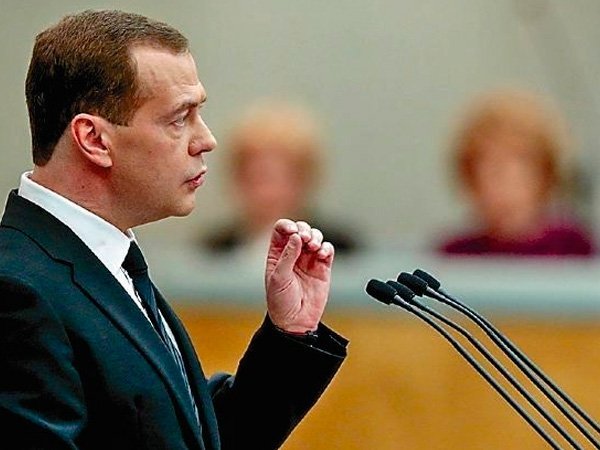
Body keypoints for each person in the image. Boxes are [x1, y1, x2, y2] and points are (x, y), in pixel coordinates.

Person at [0, 9, 348, 450]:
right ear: (94, 139)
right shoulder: (16, 289)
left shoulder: (104, 261)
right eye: (180, 118)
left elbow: (193, 439)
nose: (206, 140)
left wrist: (289, 335)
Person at [436, 87, 596, 257]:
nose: (506, 180)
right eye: (493, 167)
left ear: (546, 174)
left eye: (521, 163)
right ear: (471, 177)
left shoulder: (576, 249)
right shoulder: (453, 256)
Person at [200, 99, 360, 262]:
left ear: (305, 179)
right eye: (257, 178)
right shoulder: (212, 253)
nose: (268, 192)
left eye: (282, 178)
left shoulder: (340, 251)